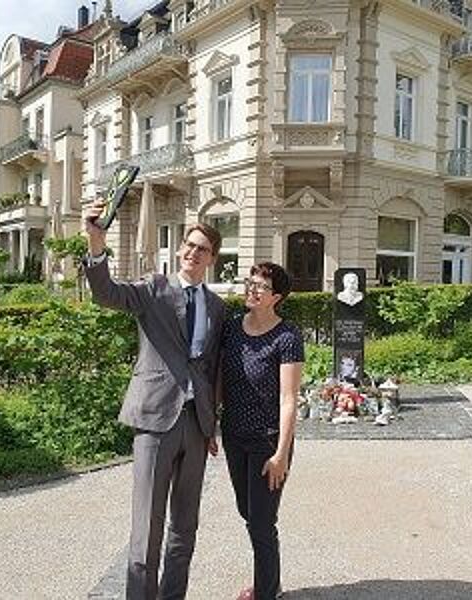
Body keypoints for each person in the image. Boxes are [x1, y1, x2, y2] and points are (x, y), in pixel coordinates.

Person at [83, 202, 225, 600]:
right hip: (154, 419)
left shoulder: (217, 306)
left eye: (202, 249)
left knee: (185, 527)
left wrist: (212, 423)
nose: (193, 252)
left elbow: (213, 367)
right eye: (189, 245)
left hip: (196, 425)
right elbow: (106, 293)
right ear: (179, 250)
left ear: (212, 259)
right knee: (147, 526)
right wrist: (96, 242)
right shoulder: (154, 289)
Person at [218, 262, 304, 600]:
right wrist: (210, 425)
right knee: (247, 513)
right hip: (234, 436)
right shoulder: (231, 328)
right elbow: (219, 379)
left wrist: (281, 454)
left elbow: (289, 398)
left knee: (262, 522)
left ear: (276, 297)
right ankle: (269, 581)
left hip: (268, 441)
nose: (252, 290)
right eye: (250, 282)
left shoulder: (287, 336)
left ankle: (267, 592)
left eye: (261, 286)